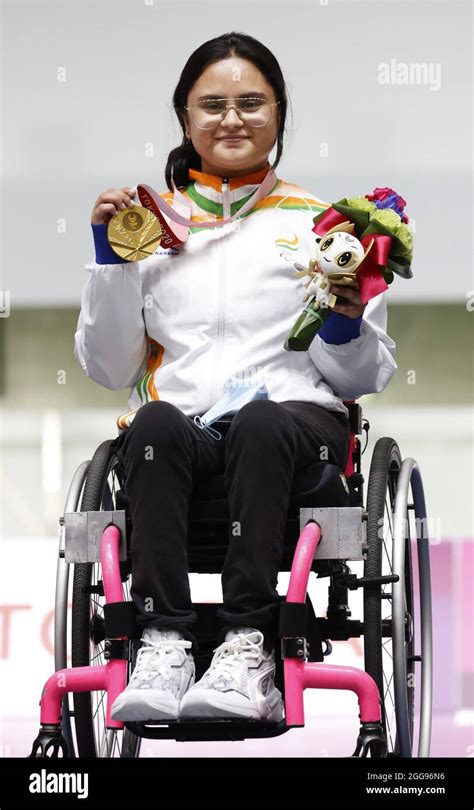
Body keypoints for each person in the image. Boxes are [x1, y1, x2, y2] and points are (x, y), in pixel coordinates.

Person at [74, 31, 397, 723]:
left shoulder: (326, 227)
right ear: (186, 118)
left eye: (251, 103)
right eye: (212, 104)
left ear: (279, 113)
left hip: (295, 438)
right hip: (181, 439)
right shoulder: (150, 227)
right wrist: (110, 261)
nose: (232, 119)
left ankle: (250, 643)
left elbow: (363, 374)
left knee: (260, 420)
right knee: (153, 422)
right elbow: (108, 368)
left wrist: (344, 319)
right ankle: (162, 643)